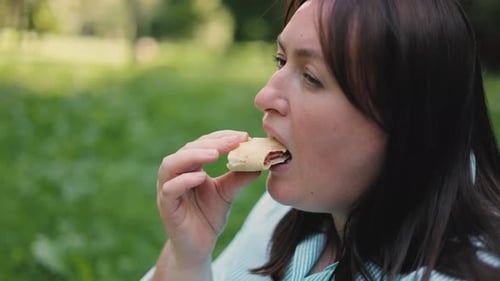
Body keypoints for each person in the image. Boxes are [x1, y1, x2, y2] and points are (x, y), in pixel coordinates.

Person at [143, 0, 500, 280]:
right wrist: (187, 257)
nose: (265, 95)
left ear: (409, 124)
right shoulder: (289, 210)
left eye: (311, 77)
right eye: (280, 60)